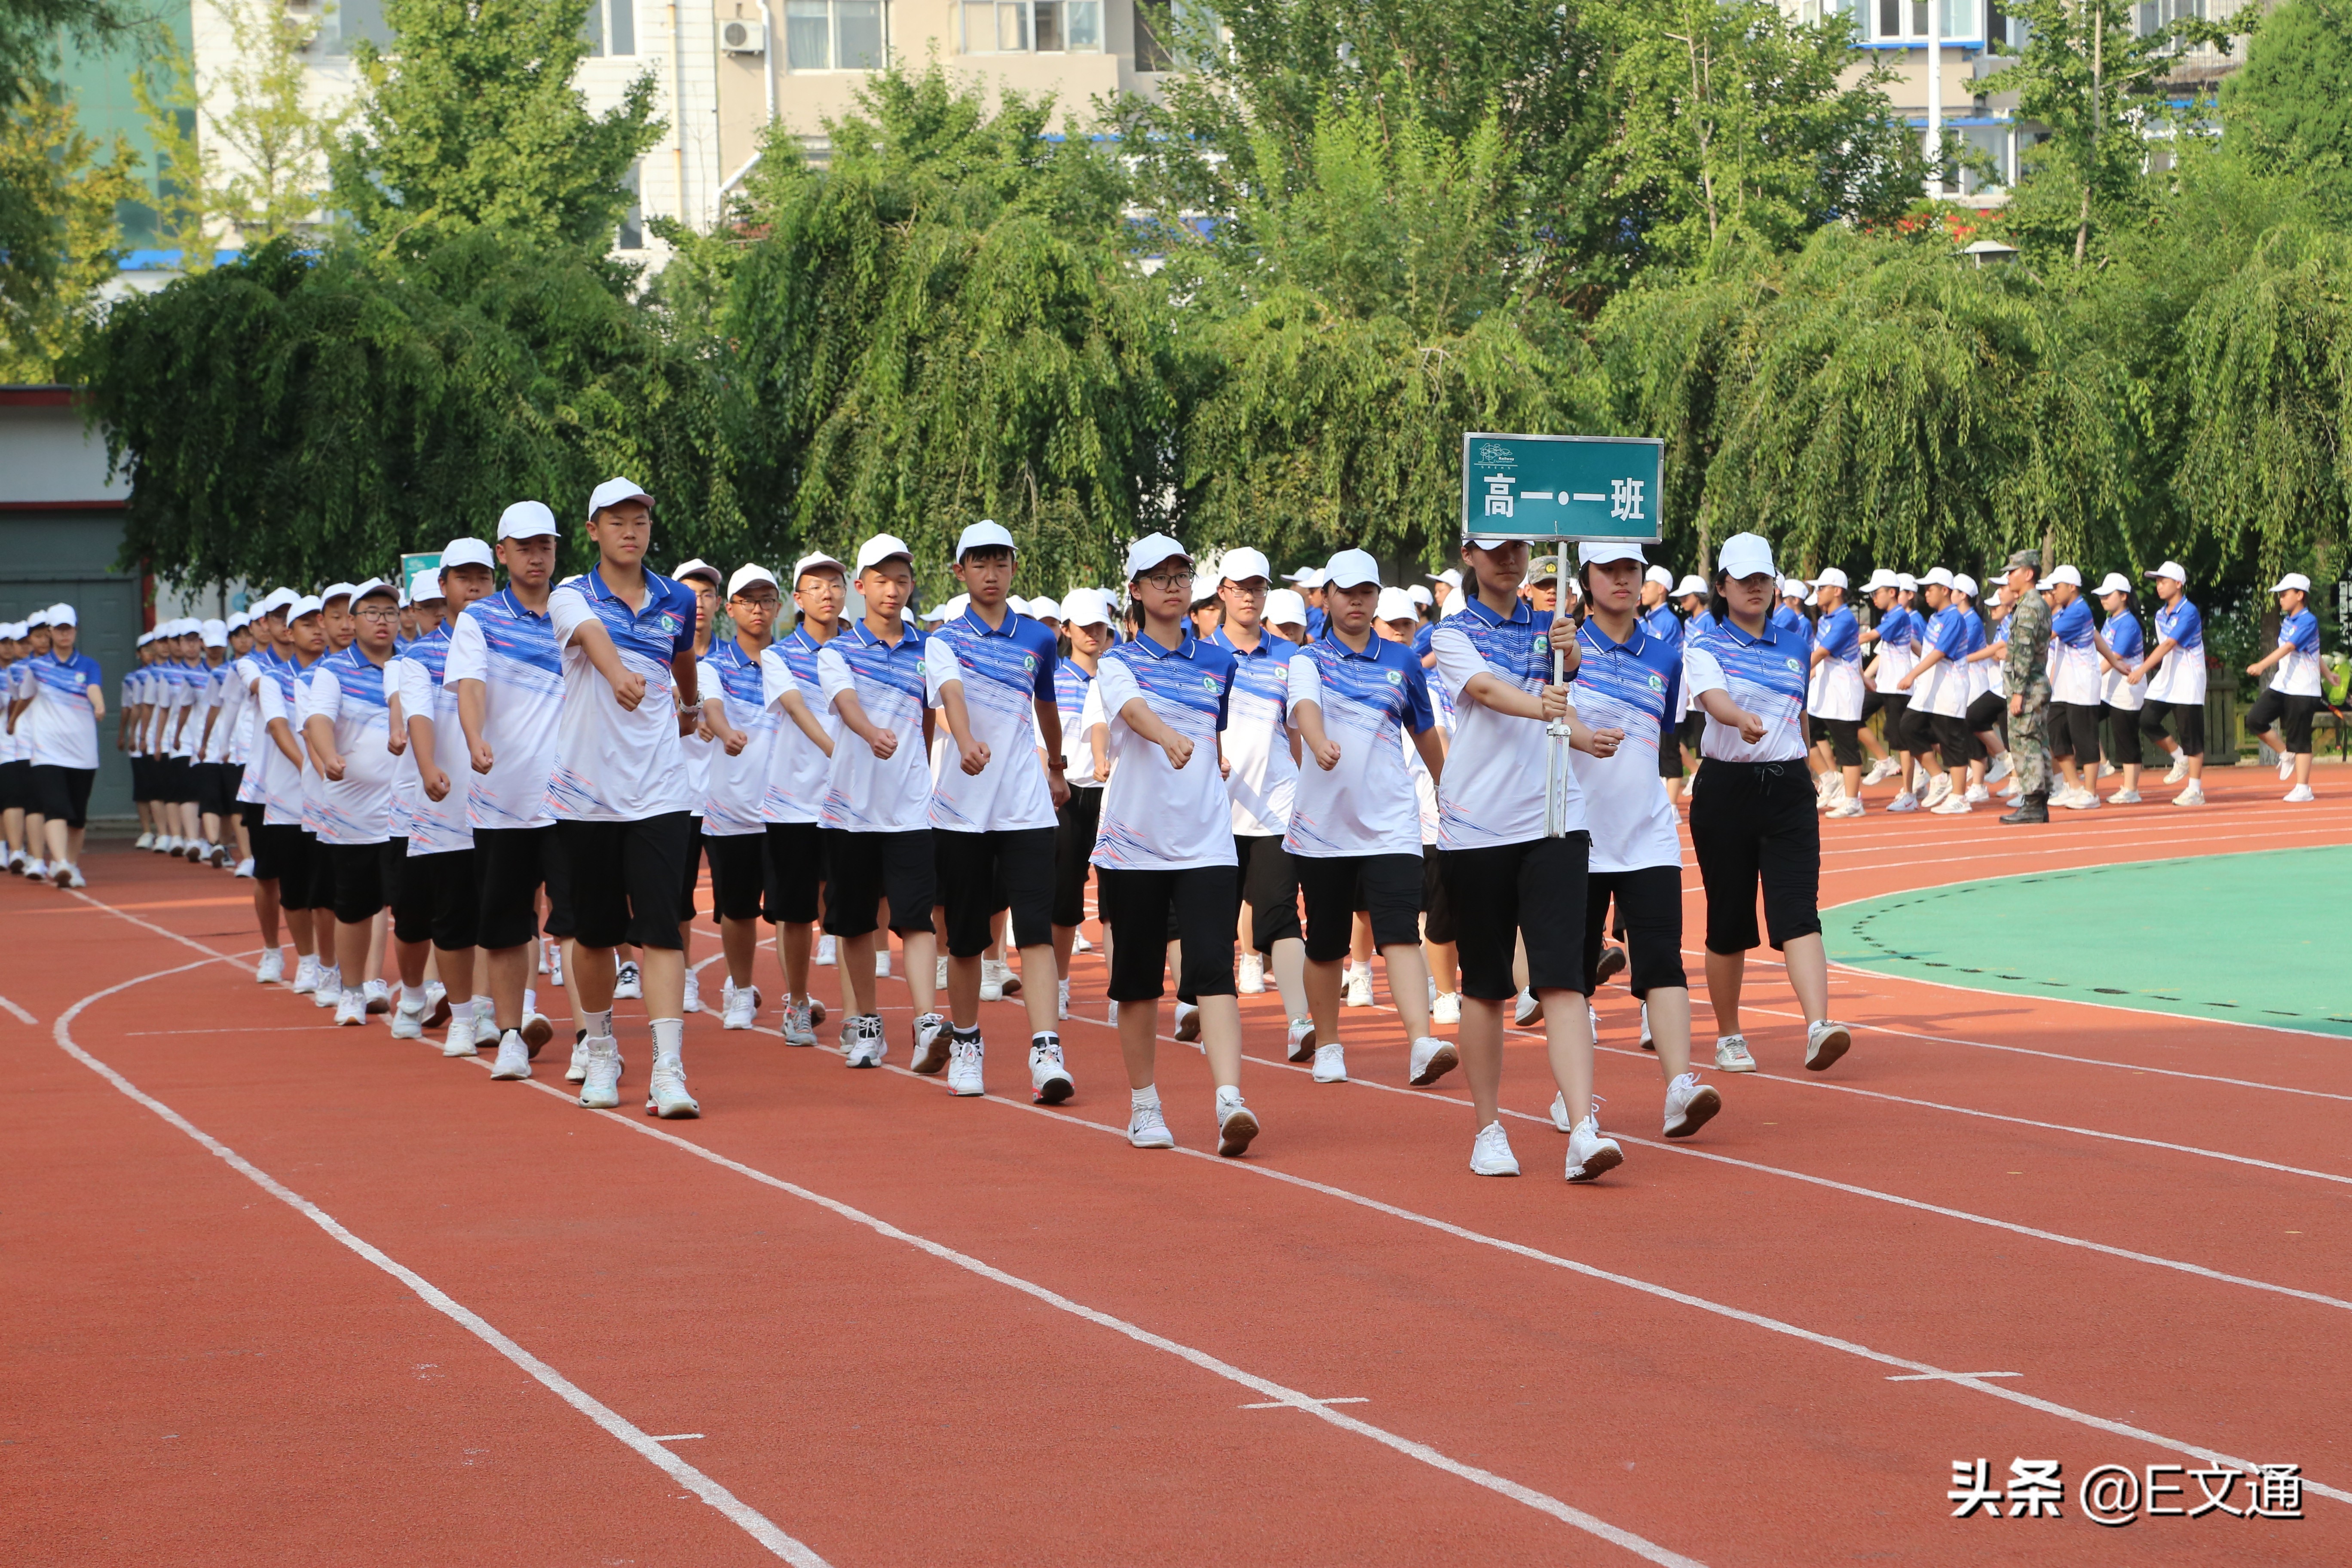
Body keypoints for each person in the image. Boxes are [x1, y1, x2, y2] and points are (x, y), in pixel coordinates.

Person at [1430, 535, 1620, 1180]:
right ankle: (1488, 1128)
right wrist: (1545, 704)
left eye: (1517, 549)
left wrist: (1571, 660)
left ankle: (1583, 1128)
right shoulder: (1455, 633)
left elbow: (1575, 696)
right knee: (1485, 988)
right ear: (1470, 556)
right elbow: (1485, 691)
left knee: (1564, 979)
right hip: (1477, 827)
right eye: (1494, 551)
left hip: (1554, 823)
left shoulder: (1555, 628)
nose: (1507, 560)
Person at [543, 478, 705, 1118]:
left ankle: (670, 1069)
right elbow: (592, 639)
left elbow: (684, 655)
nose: (630, 531)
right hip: (587, 793)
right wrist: (619, 678)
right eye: (617, 522)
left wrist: (689, 706)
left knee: (663, 930)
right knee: (594, 932)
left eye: (639, 520)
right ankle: (602, 1047)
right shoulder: (570, 595)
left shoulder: (675, 600)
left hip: (661, 790)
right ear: (593, 531)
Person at [1092, 533, 1258, 1156]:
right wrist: (1166, 736)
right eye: (1157, 577)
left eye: (1181, 574)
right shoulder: (1117, 662)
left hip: (1207, 842)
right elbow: (1132, 712)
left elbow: (1212, 731)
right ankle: (1144, 1105)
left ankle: (1230, 1099)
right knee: (1137, 983)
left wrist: (1194, 751)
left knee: (1214, 971)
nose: (1171, 585)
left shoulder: (1220, 662)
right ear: (1134, 591)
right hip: (1134, 846)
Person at [1683, 533, 1855, 1077]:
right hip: (1726, 790)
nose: (1756, 587)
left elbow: (1798, 714)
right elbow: (1713, 699)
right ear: (1723, 586)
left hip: (1787, 791)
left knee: (1799, 910)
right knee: (1729, 919)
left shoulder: (1795, 644)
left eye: (1764, 578)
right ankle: (1730, 1035)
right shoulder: (1704, 644)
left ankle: (1818, 1027)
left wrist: (1808, 768)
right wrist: (1739, 719)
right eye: (1744, 579)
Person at [1566, 542, 1721, 1139]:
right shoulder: (1564, 650)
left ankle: (1680, 1088)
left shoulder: (1665, 655)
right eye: (1609, 571)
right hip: (1576, 835)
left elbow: (1662, 736)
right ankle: (1573, 1095)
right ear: (1587, 580)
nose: (1622, 581)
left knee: (1662, 961)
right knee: (1573, 975)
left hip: (1648, 833)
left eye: (1631, 570)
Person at [1283, 552, 1450, 1089]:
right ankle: (1328, 1042)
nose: (1356, 601)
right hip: (1324, 825)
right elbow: (1305, 710)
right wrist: (1317, 743)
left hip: (1391, 821)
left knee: (1400, 931)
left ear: (1377, 598)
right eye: (1346, 592)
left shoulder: (1401, 662)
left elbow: (1424, 732)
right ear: (1327, 597)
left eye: (1366, 592)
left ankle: (1422, 1042)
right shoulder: (1308, 661)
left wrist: (1447, 786)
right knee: (1327, 940)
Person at [922, 520, 1073, 1101]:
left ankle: (1046, 1051)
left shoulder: (1036, 638)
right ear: (960, 572)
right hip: (961, 811)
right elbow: (953, 697)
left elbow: (1047, 706)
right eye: (979, 563)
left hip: (1026, 810)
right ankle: (965, 1043)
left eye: (1000, 562)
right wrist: (964, 743)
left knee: (1034, 932)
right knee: (964, 939)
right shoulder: (943, 641)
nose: (991, 573)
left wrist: (1056, 766)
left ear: (1013, 567)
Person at [448, 501, 567, 1080]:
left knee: (575, 922)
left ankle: (597, 1040)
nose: (537, 556)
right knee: (505, 924)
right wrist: (474, 738)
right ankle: (513, 1034)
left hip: (574, 799)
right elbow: (470, 687)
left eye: (545, 545)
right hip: (501, 801)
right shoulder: (479, 621)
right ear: (503, 554)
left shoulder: (577, 613)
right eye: (524, 547)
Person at [818, 533, 945, 1067]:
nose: (893, 590)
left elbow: (934, 712)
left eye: (902, 580)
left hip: (911, 809)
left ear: (912, 586)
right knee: (854, 923)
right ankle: (866, 1023)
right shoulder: (837, 652)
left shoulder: (928, 649)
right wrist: (871, 731)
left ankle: (926, 1023)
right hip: (850, 810)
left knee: (916, 919)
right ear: (861, 587)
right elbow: (846, 704)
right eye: (882, 580)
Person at [701, 564, 833, 1029]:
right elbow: (711, 709)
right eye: (748, 601)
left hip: (788, 807)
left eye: (766, 601)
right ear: (731, 608)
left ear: (779, 607)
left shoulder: (792, 661)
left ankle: (796, 997)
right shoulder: (712, 666)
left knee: (791, 908)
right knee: (736, 909)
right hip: (732, 808)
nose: (758, 609)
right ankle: (740, 989)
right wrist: (725, 732)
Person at [1204, 546, 1314, 1059]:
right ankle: (1211, 1019)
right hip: (1214, 810)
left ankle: (1299, 1022)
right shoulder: (1199, 654)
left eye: (1258, 588)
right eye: (1240, 587)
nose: (1249, 596)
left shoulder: (1292, 658)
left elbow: (1295, 733)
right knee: (1215, 920)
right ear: (1223, 592)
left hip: (1275, 806)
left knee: (1281, 916)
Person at [397, 542, 496, 1052]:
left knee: (502, 915)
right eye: (464, 578)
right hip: (448, 803)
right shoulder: (420, 656)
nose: (474, 586)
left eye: (483, 577)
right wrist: (429, 765)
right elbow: (418, 717)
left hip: (505, 800)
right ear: (445, 586)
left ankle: (489, 1009)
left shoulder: (509, 641)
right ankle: (459, 1015)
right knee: (454, 917)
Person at [304, 579, 404, 1025]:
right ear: (355, 620)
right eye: (372, 613)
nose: (382, 622)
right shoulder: (334, 671)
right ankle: (351, 989)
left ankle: (405, 986)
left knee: (404, 902)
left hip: (409, 810)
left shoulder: (410, 665)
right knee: (354, 905)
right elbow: (318, 720)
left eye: (390, 613)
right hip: (352, 812)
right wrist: (329, 757)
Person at [762, 552, 848, 1044]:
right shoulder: (780, 656)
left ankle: (858, 1013)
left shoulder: (860, 651)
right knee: (796, 911)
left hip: (851, 802)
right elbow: (796, 709)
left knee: (849, 910)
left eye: (835, 584)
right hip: (793, 801)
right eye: (816, 586)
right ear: (799, 599)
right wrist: (840, 749)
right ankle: (797, 1002)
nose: (828, 593)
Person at [253, 596, 329, 989]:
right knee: (295, 888)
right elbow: (280, 726)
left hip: (335, 799)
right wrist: (308, 766)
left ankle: (334, 963)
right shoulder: (274, 679)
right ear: (289, 632)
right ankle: (308, 959)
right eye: (307, 624)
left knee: (327, 890)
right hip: (288, 800)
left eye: (322, 622)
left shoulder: (335, 673)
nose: (318, 630)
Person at [1050, 588, 1113, 1018]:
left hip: (1114, 793)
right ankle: (1058, 984)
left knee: (1116, 897)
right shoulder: (1052, 678)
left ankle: (1121, 990)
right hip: (1069, 793)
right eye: (1084, 626)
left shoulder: (1118, 677)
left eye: (1100, 627)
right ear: (1067, 630)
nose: (1093, 634)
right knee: (1065, 896)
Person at [10, 603, 104, 887]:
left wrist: (99, 706)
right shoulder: (37, 668)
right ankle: (59, 862)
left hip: (82, 752)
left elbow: (93, 688)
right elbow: (25, 697)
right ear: (51, 632)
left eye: (69, 629)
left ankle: (71, 864)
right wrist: (13, 721)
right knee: (55, 807)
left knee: (77, 815)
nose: (65, 634)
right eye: (59, 629)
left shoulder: (88, 665)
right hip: (47, 750)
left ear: (75, 631)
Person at [2132, 560, 2207, 807]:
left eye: (2163, 581)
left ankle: (2195, 790)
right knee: (2147, 720)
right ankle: (2179, 758)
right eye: (2157, 582)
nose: (2159, 586)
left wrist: (2142, 668)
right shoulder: (2159, 614)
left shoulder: (2189, 612)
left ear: (2179, 583)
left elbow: (2168, 645)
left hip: (2188, 679)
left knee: (2191, 736)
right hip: (2168, 678)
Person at [2246, 572, 2323, 803]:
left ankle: (2303, 788)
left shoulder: (2308, 620)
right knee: (2254, 720)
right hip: (2283, 684)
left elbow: (2290, 648)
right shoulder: (2289, 621)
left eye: (2284, 594)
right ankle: (2284, 753)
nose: (2280, 599)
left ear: (2300, 595)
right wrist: (2329, 674)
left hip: (2303, 688)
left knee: (2299, 739)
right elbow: (2315, 652)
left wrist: (2261, 665)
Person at [1993, 552, 2054, 825]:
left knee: (2025, 744)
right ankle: (2037, 804)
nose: (2008, 577)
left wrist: (2018, 692)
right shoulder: (2033, 604)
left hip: (2027, 687)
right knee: (2036, 743)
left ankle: (2032, 803)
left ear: (2028, 574)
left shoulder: (2029, 607)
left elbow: (2024, 653)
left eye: (2013, 571)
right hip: (2033, 684)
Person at [2039, 565, 2104, 811]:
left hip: (2082, 684)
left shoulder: (2078, 611)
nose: (2053, 592)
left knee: (2084, 738)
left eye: (2057, 587)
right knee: (2056, 732)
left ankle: (2091, 793)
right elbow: (2097, 636)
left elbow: (2047, 636)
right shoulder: (2065, 612)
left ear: (2072, 587)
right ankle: (2074, 786)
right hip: (2063, 685)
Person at [1805, 569, 1867, 818]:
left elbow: (1820, 655)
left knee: (1846, 746)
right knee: (1805, 731)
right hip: (1826, 689)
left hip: (1844, 690)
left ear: (1837, 591)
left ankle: (1853, 801)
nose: (1817, 593)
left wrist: (1789, 674)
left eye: (1821, 588)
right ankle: (1831, 779)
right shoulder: (1826, 619)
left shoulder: (1845, 620)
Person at [2091, 573, 2147, 804]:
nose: (2103, 599)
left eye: (2108, 595)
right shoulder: (2111, 620)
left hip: (2126, 688)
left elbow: (2115, 656)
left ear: (2123, 597)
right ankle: (2103, 764)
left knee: (2126, 736)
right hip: (2107, 688)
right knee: (2081, 719)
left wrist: (2092, 677)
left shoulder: (2128, 623)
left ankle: (2131, 789)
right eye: (2101, 596)